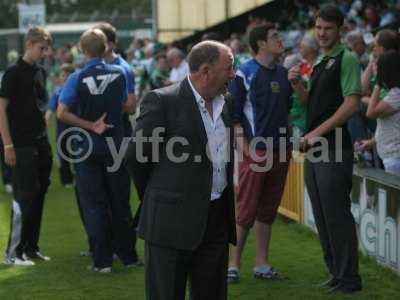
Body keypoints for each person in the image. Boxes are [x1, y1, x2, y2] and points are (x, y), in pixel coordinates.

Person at [125, 40, 236, 300]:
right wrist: (158, 195)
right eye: (229, 68)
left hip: (216, 221)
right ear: (206, 71)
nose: (233, 74)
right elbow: (135, 157)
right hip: (169, 224)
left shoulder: (227, 103)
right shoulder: (162, 101)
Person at [288, 5, 362, 293]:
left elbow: (352, 104)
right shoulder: (320, 61)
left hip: (333, 148)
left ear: (340, 30)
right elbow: (313, 106)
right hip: (316, 149)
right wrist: (297, 85)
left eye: (327, 28)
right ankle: (336, 274)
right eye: (318, 27)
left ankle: (350, 280)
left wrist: (316, 133)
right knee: (322, 214)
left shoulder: (348, 58)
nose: (321, 33)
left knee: (336, 215)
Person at [57, 28, 137, 272]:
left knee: (94, 204)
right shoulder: (121, 73)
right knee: (120, 202)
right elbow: (129, 107)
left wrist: (91, 124)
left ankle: (102, 261)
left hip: (88, 147)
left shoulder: (76, 78)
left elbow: (62, 113)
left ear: (82, 50)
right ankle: (128, 256)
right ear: (106, 48)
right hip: (116, 145)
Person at [227, 24, 292, 283]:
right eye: (275, 36)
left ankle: (261, 264)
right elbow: (234, 116)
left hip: (281, 151)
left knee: (268, 210)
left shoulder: (285, 73)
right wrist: (245, 148)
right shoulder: (245, 73)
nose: (280, 39)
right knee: (246, 210)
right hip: (257, 151)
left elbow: (287, 111)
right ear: (261, 44)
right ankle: (232, 265)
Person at [0, 26, 53, 266]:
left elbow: (41, 105)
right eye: (42, 48)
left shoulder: (40, 71)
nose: (45, 52)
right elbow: (0, 110)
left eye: (46, 48)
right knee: (24, 196)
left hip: (41, 142)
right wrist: (8, 144)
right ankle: (13, 253)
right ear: (29, 44)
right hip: (20, 144)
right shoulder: (12, 73)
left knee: (39, 195)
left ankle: (31, 248)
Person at [93, 22, 142, 265]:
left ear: (110, 44)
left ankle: (126, 250)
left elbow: (131, 105)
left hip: (118, 134)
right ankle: (104, 245)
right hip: (97, 136)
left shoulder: (123, 68)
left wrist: (102, 107)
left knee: (119, 197)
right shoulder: (91, 69)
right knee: (99, 196)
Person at [366, 50, 400, 176]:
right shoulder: (394, 92)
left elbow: (371, 112)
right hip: (392, 157)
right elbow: (391, 126)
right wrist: (371, 142)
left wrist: (378, 83)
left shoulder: (397, 93)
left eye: (378, 67)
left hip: (395, 157)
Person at [45, 63, 75, 187]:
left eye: (68, 75)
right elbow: (51, 108)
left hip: (78, 127)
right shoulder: (58, 92)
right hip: (62, 128)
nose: (65, 77)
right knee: (63, 153)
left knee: (80, 153)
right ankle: (67, 180)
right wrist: (46, 120)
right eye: (63, 75)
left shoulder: (78, 91)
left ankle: (81, 176)